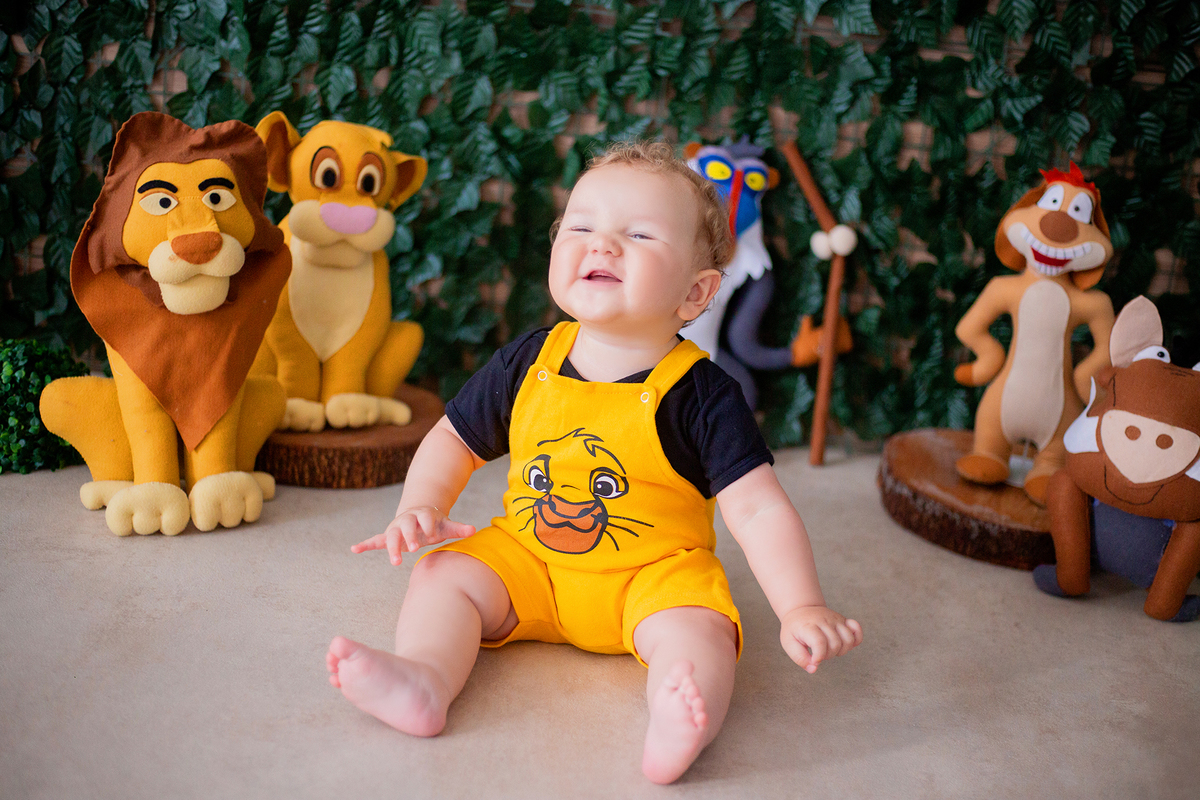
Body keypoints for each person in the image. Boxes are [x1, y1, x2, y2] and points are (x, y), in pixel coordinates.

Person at [326, 141, 863, 784]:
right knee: (445, 574)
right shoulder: (529, 361)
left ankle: (681, 717)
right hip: (529, 559)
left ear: (696, 293)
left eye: (638, 233)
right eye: (580, 226)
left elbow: (757, 506)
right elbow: (454, 439)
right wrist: (422, 507)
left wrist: (801, 605)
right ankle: (424, 678)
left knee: (703, 632)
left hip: (654, 578)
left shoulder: (702, 393)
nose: (601, 244)